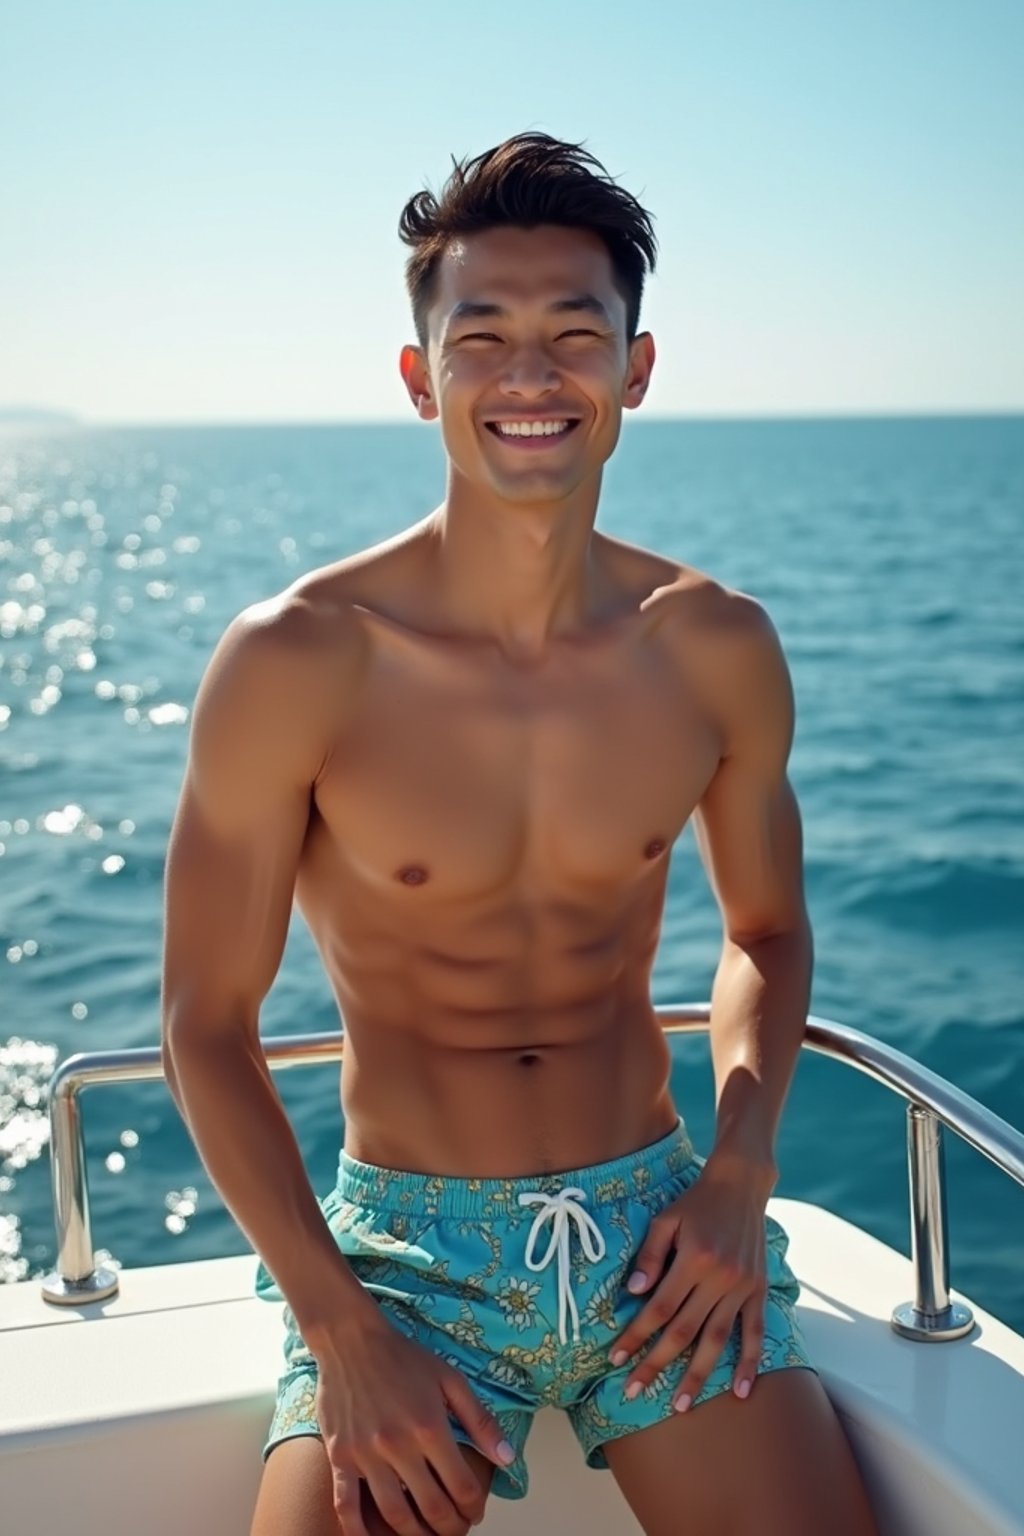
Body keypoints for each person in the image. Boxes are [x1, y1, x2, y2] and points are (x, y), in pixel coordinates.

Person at [161, 132, 880, 1536]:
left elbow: (769, 932)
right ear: (422, 377)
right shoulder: (300, 658)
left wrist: (742, 1171)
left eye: (576, 334)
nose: (532, 376)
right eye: (482, 336)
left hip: (665, 1234)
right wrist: (342, 1330)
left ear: (638, 369)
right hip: (402, 1263)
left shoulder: (715, 646)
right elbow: (204, 1022)